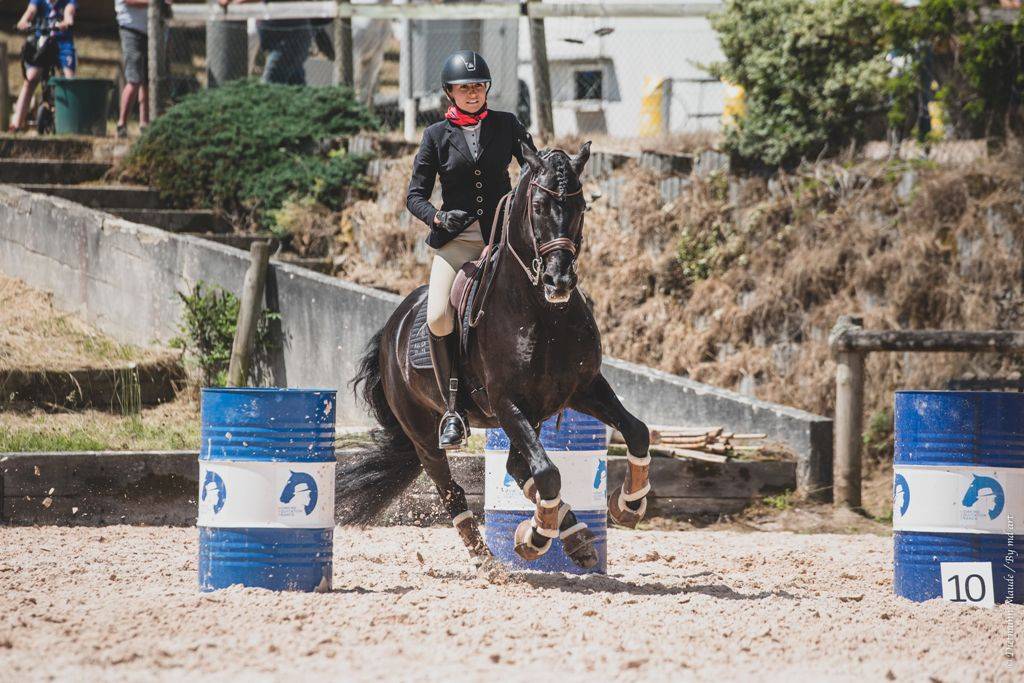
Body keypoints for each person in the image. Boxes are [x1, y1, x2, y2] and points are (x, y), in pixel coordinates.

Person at [406, 50, 536, 450]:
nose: (473, 93)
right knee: (440, 316)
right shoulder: (434, 137)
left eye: (479, 86)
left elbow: (534, 166)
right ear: (450, 92)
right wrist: (435, 218)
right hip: (458, 242)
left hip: (503, 237)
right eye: (465, 87)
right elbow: (414, 196)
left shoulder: (508, 125)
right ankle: (452, 409)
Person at [9, 0, 76, 133]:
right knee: (30, 78)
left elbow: (69, 13)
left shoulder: (67, 2)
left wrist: (66, 22)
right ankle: (16, 123)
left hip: (62, 44)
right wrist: (23, 22)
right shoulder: (39, 1)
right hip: (43, 43)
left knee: (69, 81)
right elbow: (30, 11)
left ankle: (70, 123)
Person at [218, 0, 312, 85]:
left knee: (269, 87)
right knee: (296, 87)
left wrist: (233, 2)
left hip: (288, 43)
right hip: (280, 43)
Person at [114, 0, 154, 138]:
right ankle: (121, 124)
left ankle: (144, 124)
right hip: (131, 30)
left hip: (152, 31)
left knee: (148, 81)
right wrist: (154, 2)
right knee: (134, 79)